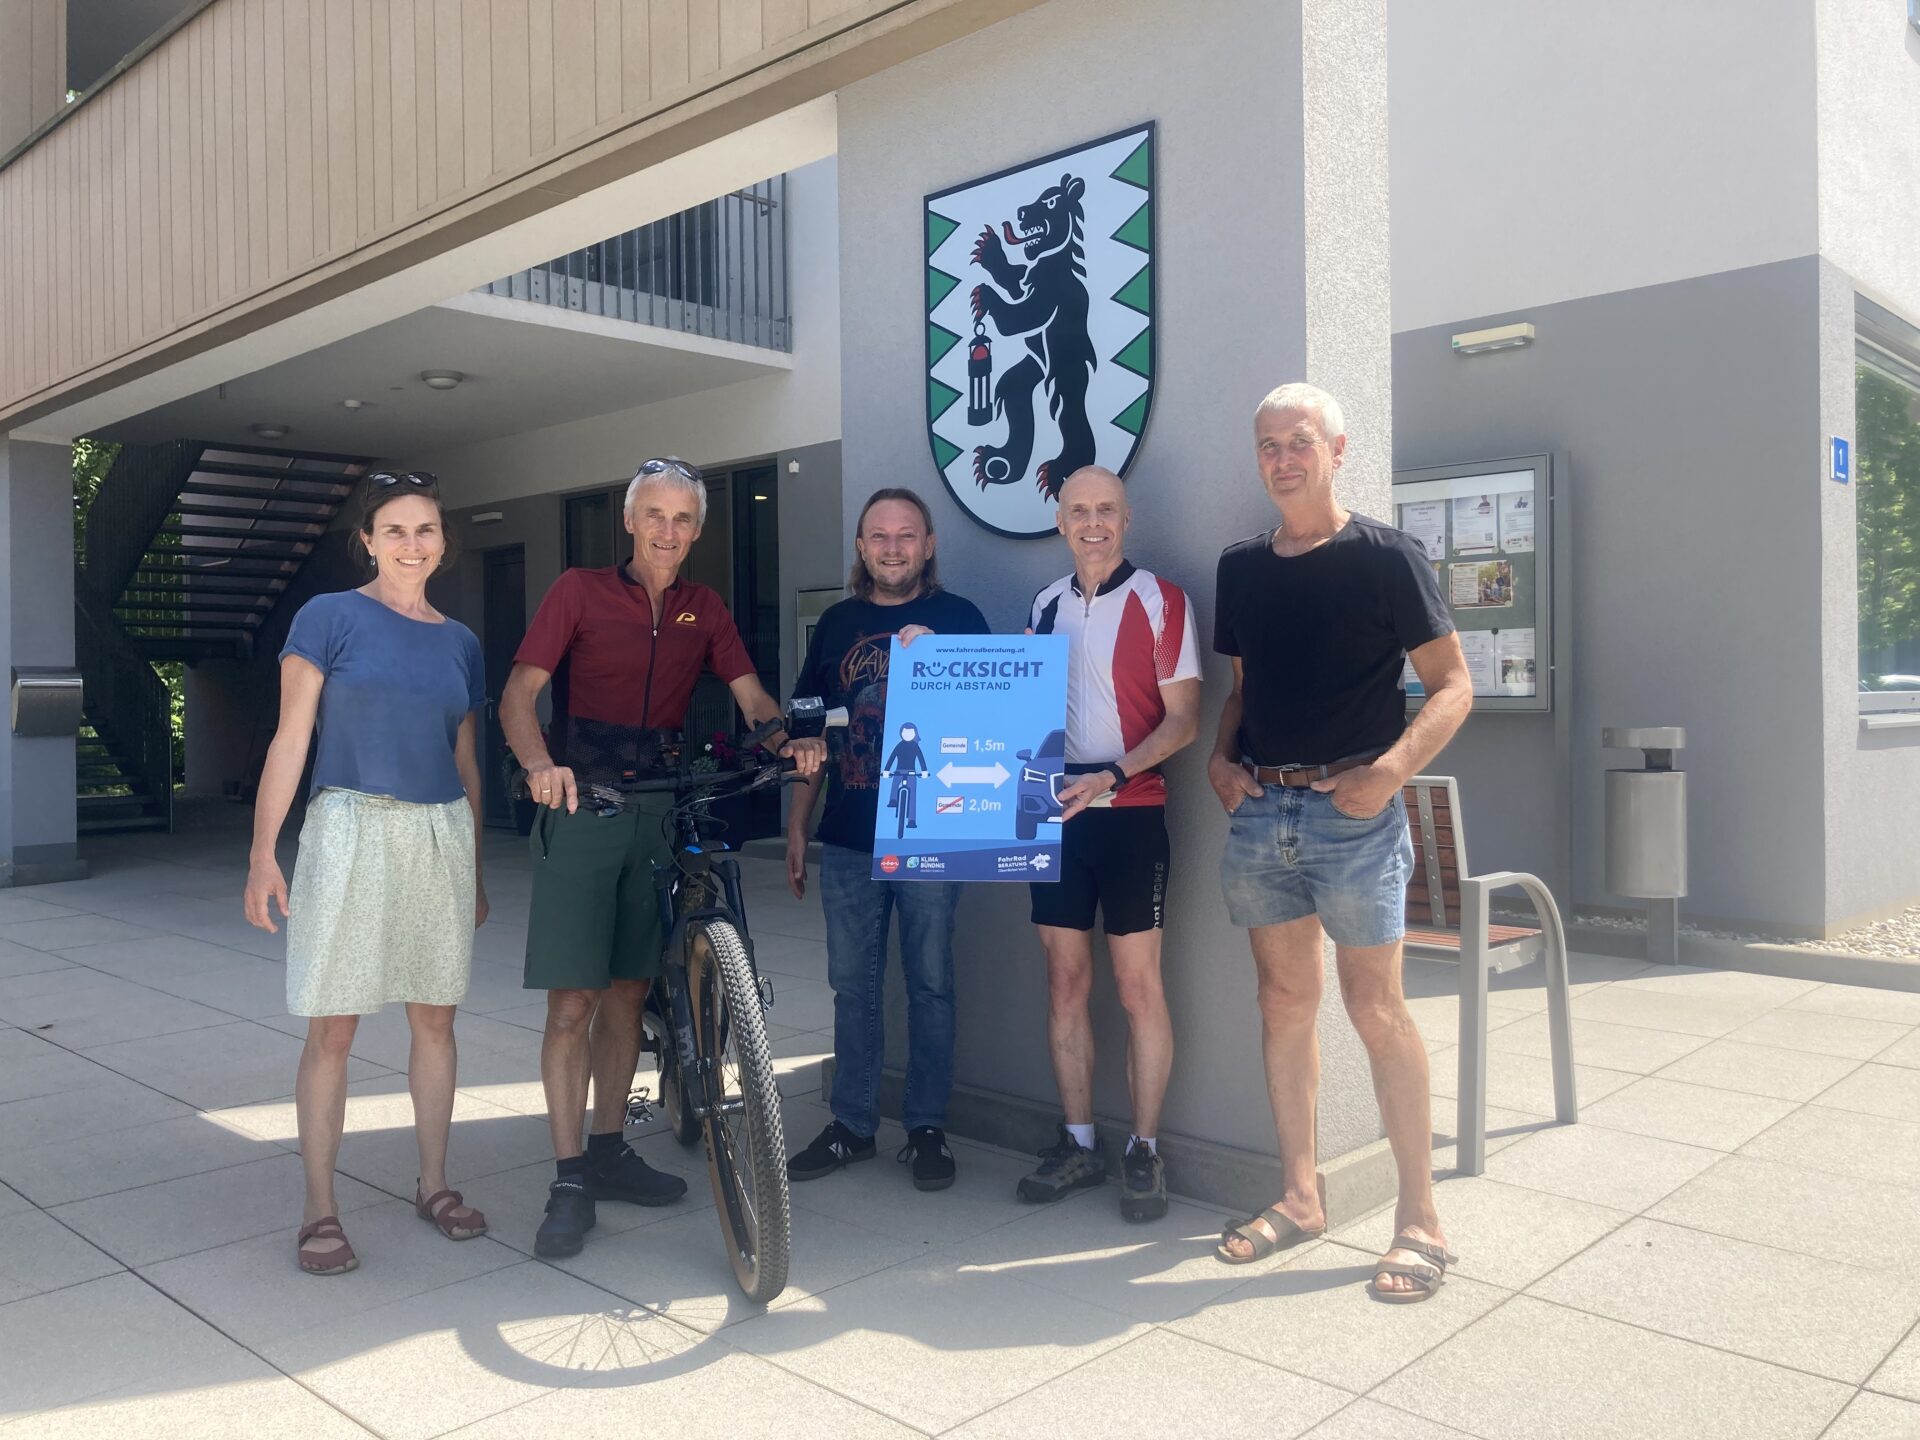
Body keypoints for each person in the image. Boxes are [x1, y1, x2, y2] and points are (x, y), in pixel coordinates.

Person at [500, 457, 823, 1259]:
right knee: (572, 1003)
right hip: (581, 804)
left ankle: (609, 1147)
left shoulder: (703, 607)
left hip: (658, 806)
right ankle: (570, 1174)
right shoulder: (578, 590)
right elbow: (518, 694)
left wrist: (787, 739)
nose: (668, 532)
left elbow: (748, 693)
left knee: (624, 995)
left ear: (698, 530)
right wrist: (541, 766)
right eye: (656, 516)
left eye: (683, 520)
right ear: (630, 520)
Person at [1208, 384, 1472, 1302]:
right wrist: (1221, 754)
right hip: (1263, 817)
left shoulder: (1388, 558)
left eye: (1298, 442)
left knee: (1378, 1011)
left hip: (1356, 816)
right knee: (1282, 1001)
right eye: (1268, 446)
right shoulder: (1239, 568)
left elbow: (1453, 686)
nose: (1282, 459)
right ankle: (1301, 1197)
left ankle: (1420, 1221)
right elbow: (1245, 687)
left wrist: (1391, 772)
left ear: (1337, 449)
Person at [244, 471, 491, 1276]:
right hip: (348, 827)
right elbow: (290, 740)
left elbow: (465, 759)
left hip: (438, 832)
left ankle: (435, 1184)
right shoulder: (329, 617)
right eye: (395, 530)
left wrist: (476, 866)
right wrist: (262, 854)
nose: (412, 545)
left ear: (443, 542)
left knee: (435, 1020)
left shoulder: (460, 642)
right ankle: (320, 1207)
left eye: (425, 530)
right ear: (369, 540)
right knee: (334, 1026)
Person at [784, 488, 989, 1192]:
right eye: (880, 536)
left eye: (907, 535)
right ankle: (853, 1126)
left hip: (935, 834)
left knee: (932, 983)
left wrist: (942, 662)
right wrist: (795, 825)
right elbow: (805, 724)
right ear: (862, 548)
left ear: (929, 544)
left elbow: (995, 725)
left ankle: (927, 1127)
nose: (893, 547)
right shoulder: (838, 623)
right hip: (846, 835)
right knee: (853, 987)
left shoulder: (960, 619)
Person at [1015, 465, 1201, 1222]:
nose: (1092, 523)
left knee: (1136, 988)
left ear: (1127, 520)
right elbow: (1014, 704)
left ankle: (1144, 1152)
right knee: (1064, 984)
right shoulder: (1044, 605)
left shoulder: (1161, 600)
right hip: (1054, 814)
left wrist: (1111, 775)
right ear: (1059, 522)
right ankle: (1081, 1142)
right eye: (1078, 511)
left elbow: (1185, 721)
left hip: (1133, 811)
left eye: (1106, 510)